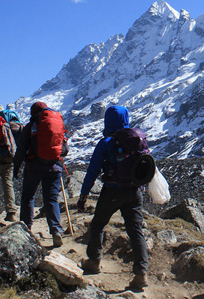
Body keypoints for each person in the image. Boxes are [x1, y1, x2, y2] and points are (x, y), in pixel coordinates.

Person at [77, 105, 149, 290]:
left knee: (98, 224)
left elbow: (93, 170)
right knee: (136, 230)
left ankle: (94, 261)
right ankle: (141, 273)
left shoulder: (107, 142)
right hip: (135, 191)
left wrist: (84, 194)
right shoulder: (137, 139)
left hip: (113, 191)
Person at [14, 101, 68, 247]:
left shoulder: (31, 126)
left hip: (34, 166)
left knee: (28, 196)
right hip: (54, 167)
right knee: (51, 199)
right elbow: (65, 150)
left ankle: (26, 229)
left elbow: (21, 149)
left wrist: (16, 167)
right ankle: (56, 231)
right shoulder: (58, 124)